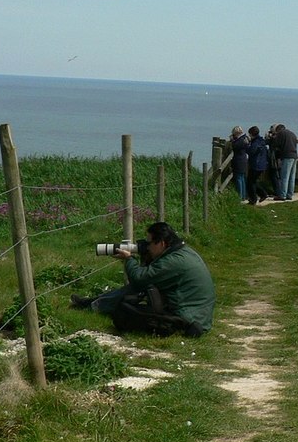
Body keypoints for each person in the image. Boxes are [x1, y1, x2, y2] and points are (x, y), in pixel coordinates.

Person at [71, 222, 215, 337]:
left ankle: (92, 305)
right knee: (140, 289)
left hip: (187, 317)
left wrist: (128, 259)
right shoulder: (183, 252)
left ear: (162, 243)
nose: (147, 247)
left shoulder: (174, 262)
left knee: (129, 307)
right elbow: (148, 276)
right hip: (199, 314)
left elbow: (139, 279)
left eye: (150, 243)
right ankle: (92, 303)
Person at [268, 123, 298, 201]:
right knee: (292, 177)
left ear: (278, 129)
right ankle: (289, 194)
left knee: (284, 176)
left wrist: (271, 138)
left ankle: (282, 195)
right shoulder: (292, 134)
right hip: (294, 155)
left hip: (287, 156)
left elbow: (275, 144)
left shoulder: (281, 134)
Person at [246, 125, 270, 204]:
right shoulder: (261, 141)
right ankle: (263, 194)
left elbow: (251, 152)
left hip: (256, 165)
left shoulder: (256, 142)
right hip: (262, 164)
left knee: (250, 182)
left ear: (252, 134)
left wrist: (247, 144)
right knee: (254, 181)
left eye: (250, 134)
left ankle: (253, 199)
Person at [230, 126, 249, 200]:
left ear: (236, 133)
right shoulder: (244, 138)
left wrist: (232, 141)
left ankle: (240, 196)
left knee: (239, 178)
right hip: (243, 160)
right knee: (242, 178)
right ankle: (243, 195)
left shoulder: (241, 140)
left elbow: (235, 147)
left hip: (239, 160)